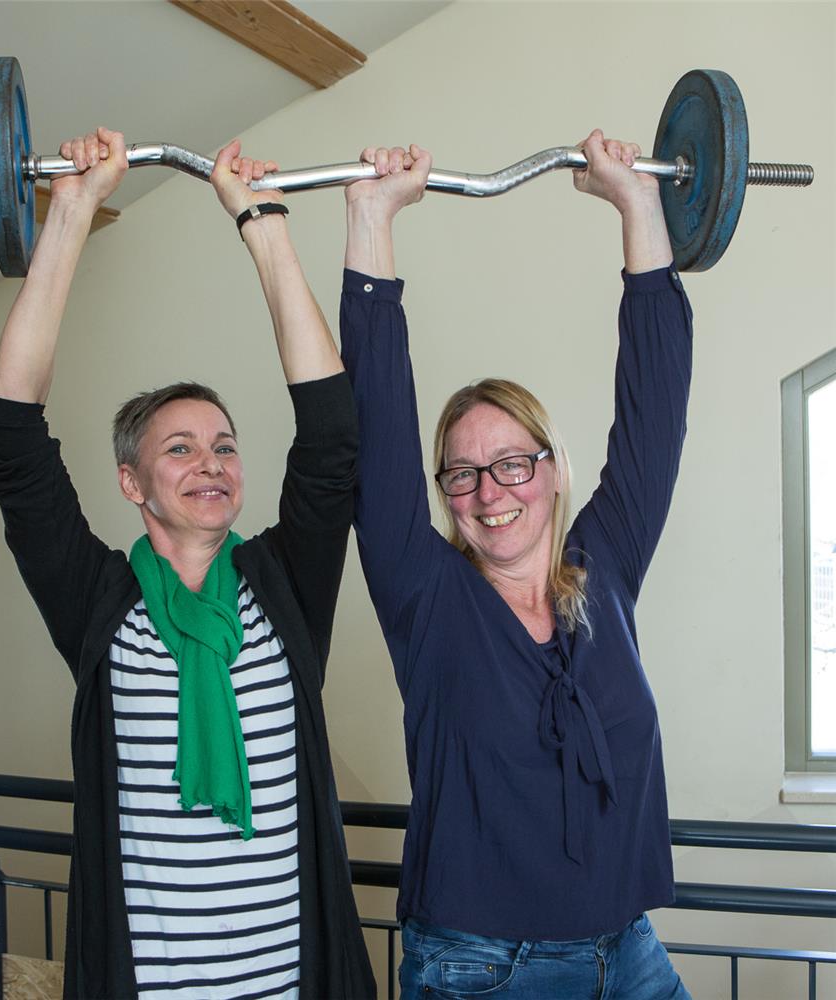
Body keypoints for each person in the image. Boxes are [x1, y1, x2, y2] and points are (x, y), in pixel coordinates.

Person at [0, 127, 375, 999]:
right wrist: (74, 211)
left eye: (227, 447)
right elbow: (13, 439)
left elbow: (333, 438)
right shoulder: (100, 604)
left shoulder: (285, 588)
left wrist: (262, 222)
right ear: (131, 481)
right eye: (181, 449)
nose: (212, 464)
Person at [339, 132, 693, 998]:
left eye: (512, 462)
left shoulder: (601, 569)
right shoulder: (428, 595)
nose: (488, 490)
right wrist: (371, 216)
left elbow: (655, 412)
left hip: (629, 953)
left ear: (555, 468)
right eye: (460, 471)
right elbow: (378, 428)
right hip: (482, 969)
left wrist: (638, 206)